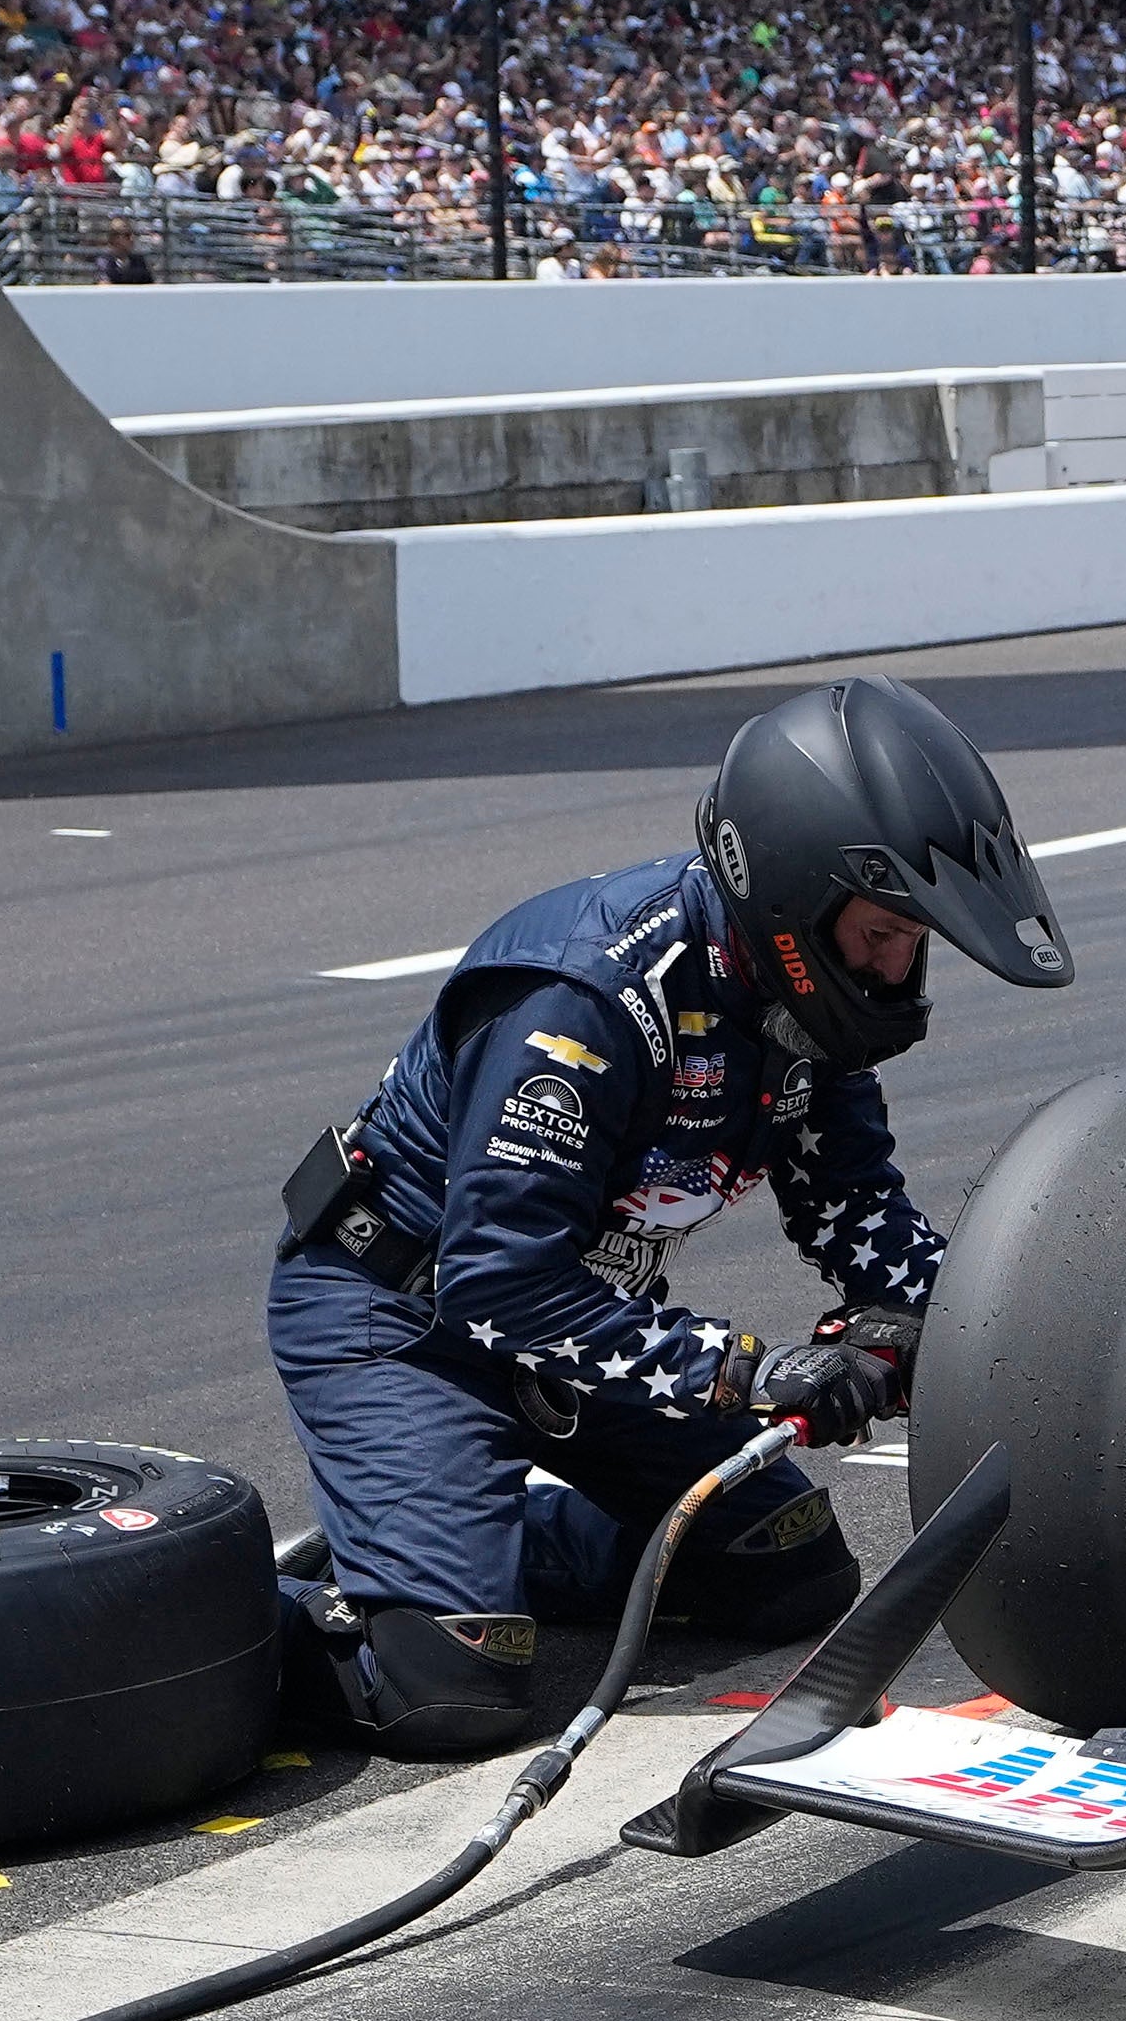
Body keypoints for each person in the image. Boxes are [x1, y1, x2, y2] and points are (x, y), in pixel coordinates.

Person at [263, 677, 1071, 1755]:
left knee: (790, 1565)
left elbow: (857, 1213)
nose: (898, 967)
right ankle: (242, 1605)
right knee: (450, 1688)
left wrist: (954, 1329)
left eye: (911, 939)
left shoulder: (805, 1014)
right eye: (883, 932)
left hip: (572, 1329)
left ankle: (449, 1536)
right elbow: (499, 1283)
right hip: (400, 1315)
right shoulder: (591, 1001)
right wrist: (754, 1372)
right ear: (788, 898)